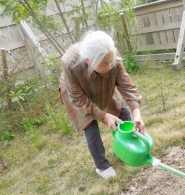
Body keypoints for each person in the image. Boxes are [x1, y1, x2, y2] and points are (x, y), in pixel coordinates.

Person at [59, 30, 145, 179]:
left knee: (122, 112)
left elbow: (127, 86)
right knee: (90, 125)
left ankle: (129, 149)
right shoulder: (70, 64)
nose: (111, 65)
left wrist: (136, 112)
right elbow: (78, 99)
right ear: (88, 61)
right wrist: (103, 116)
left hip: (102, 80)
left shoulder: (109, 53)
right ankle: (102, 166)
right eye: (105, 63)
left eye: (111, 61)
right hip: (77, 90)